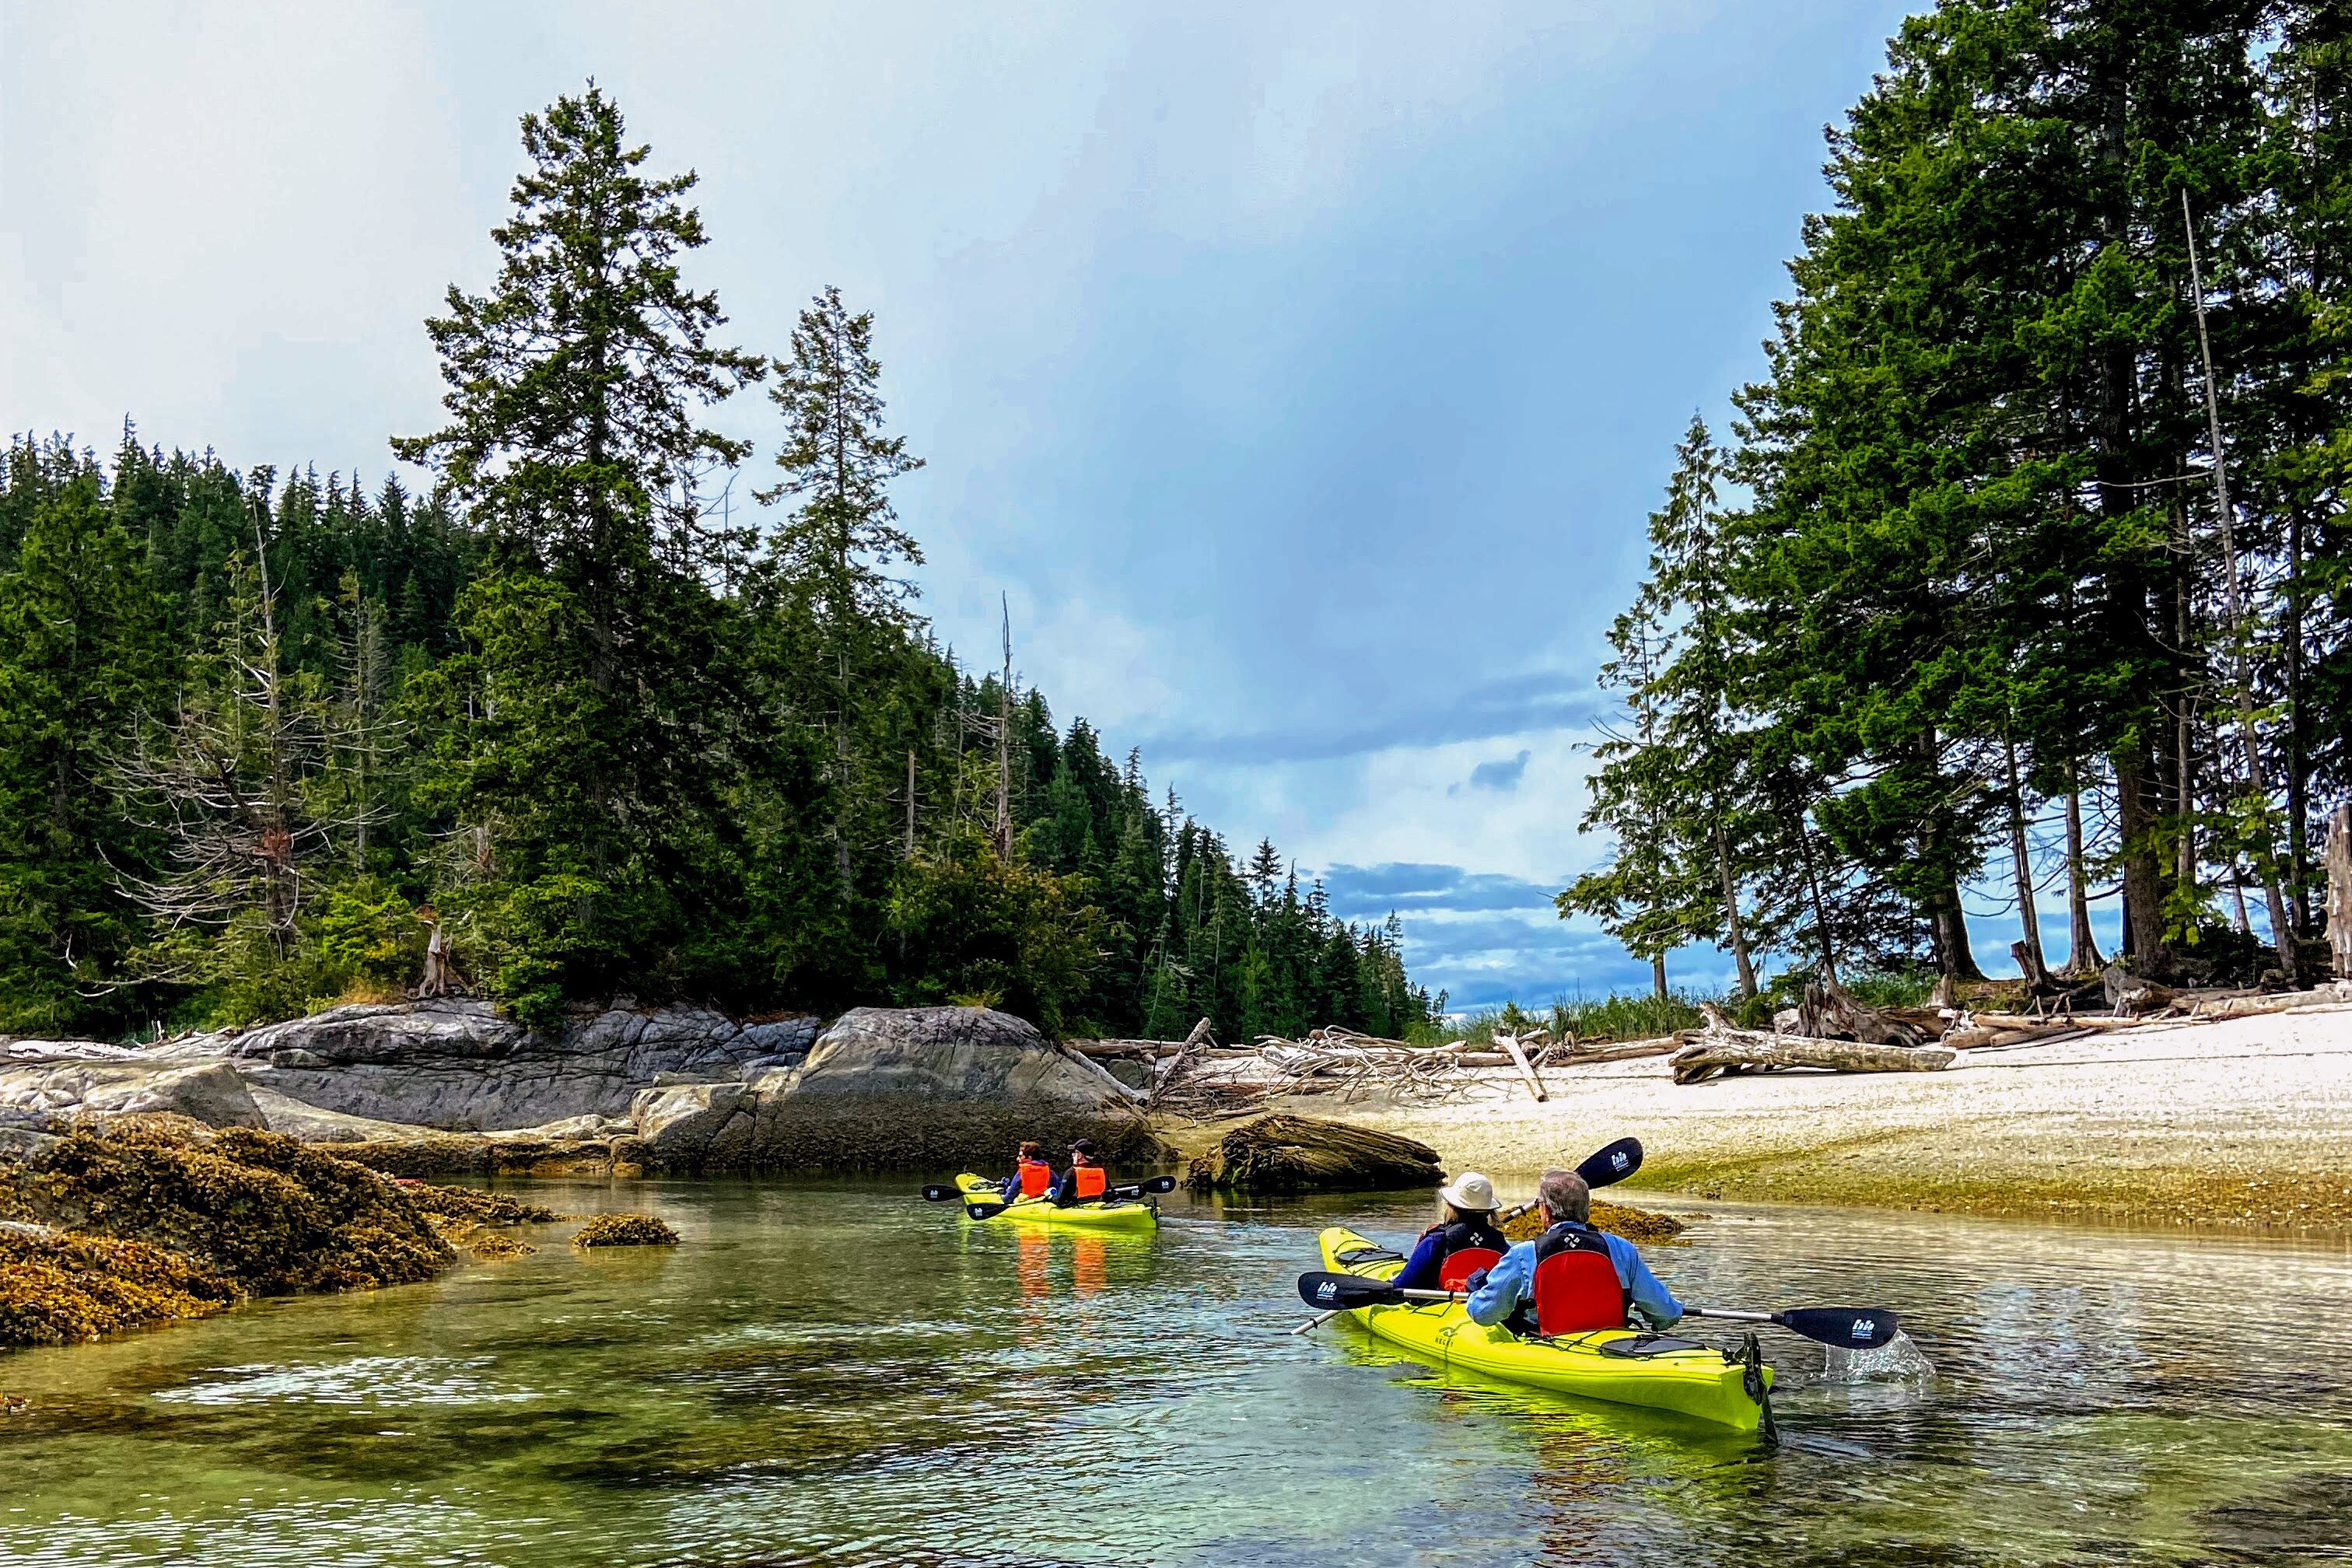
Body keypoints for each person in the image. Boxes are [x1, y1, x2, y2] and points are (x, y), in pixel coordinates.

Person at [1464, 1167, 1682, 1337]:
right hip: (1614, 1344)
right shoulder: (1621, 1249)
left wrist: (1473, 1296)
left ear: (1546, 1211)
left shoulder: (1524, 1254)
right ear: (1586, 1209)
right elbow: (1667, 1314)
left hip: (1548, 1347)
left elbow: (1484, 1314)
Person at [1393, 1171, 1508, 1291]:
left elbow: (1403, 1285)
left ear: (1453, 1206)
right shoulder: (1499, 1241)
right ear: (1488, 1210)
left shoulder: (1437, 1240)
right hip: (1483, 1303)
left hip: (1439, 1305)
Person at [1048, 1138, 1111, 1205]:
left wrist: (1050, 1199)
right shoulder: (1101, 1172)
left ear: (1080, 1155)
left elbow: (1059, 1200)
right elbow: (1109, 1192)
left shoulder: (1072, 1172)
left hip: (1080, 1208)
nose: (1073, 1155)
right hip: (1099, 1205)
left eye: (1074, 1152)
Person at [999, 1140, 1055, 1204]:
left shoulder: (1022, 1171)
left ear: (1030, 1158)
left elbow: (1011, 1193)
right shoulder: (1048, 1170)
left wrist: (1003, 1200)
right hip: (1043, 1201)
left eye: (1020, 1156)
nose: (1017, 1159)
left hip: (1025, 1203)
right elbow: (1058, 1188)